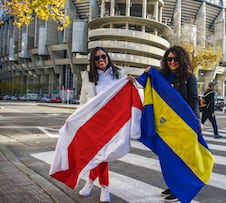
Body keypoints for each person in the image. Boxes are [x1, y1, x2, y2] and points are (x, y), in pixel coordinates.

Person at [78, 47, 135, 202]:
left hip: (113, 123)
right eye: (97, 58)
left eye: (103, 56)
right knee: (98, 154)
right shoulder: (88, 78)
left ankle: (95, 184)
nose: (101, 59)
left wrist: (133, 83)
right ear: (93, 61)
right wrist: (74, 118)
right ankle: (100, 185)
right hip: (95, 122)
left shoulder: (120, 75)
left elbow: (130, 95)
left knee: (101, 155)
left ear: (108, 57)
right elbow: (83, 102)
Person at [144, 45, 200, 202]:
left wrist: (197, 120)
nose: (172, 62)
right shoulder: (161, 76)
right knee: (168, 158)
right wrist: (148, 73)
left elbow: (193, 100)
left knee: (180, 157)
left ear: (181, 60)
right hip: (165, 126)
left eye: (175, 59)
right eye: (169, 59)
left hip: (183, 125)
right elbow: (149, 87)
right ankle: (173, 185)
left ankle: (179, 189)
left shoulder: (189, 78)